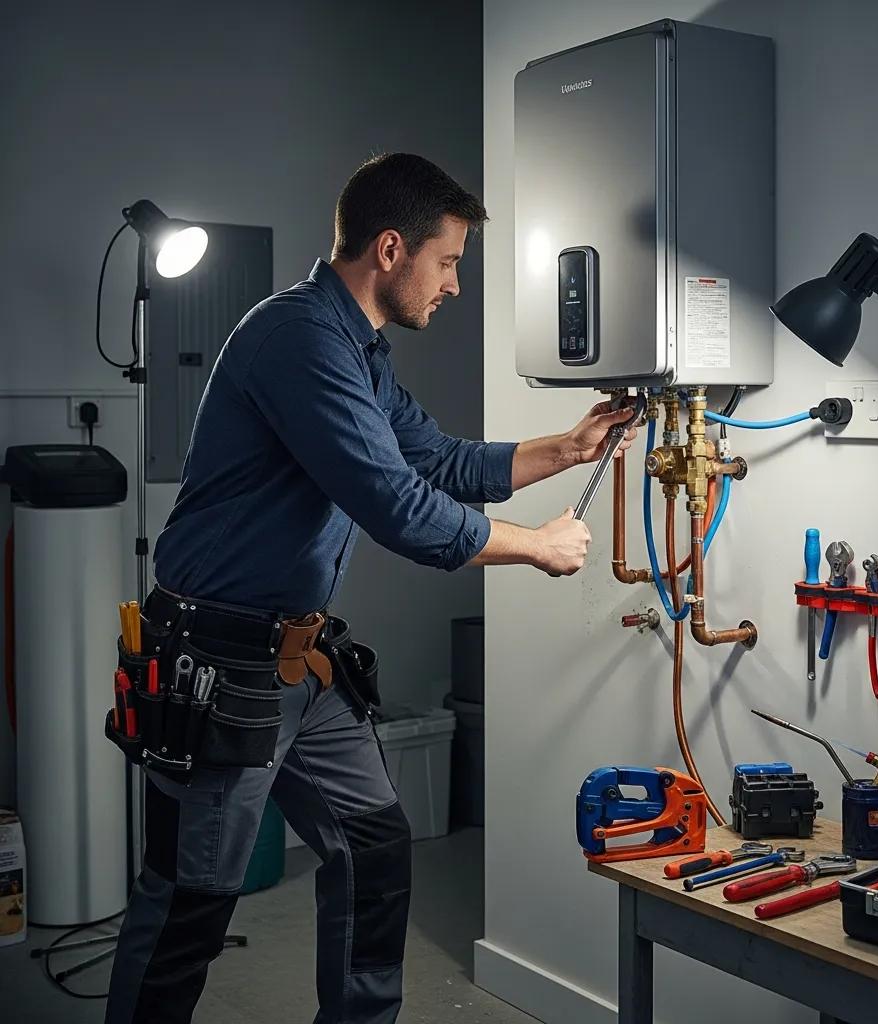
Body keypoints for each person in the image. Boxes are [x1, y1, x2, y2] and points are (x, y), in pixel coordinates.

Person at [104, 152, 637, 1024]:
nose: (455, 285)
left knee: (375, 849)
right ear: (392, 250)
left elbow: (437, 460)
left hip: (299, 666)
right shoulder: (299, 340)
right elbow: (396, 506)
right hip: (218, 664)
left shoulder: (359, 349)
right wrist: (535, 548)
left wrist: (567, 449)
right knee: (188, 906)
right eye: (450, 260)